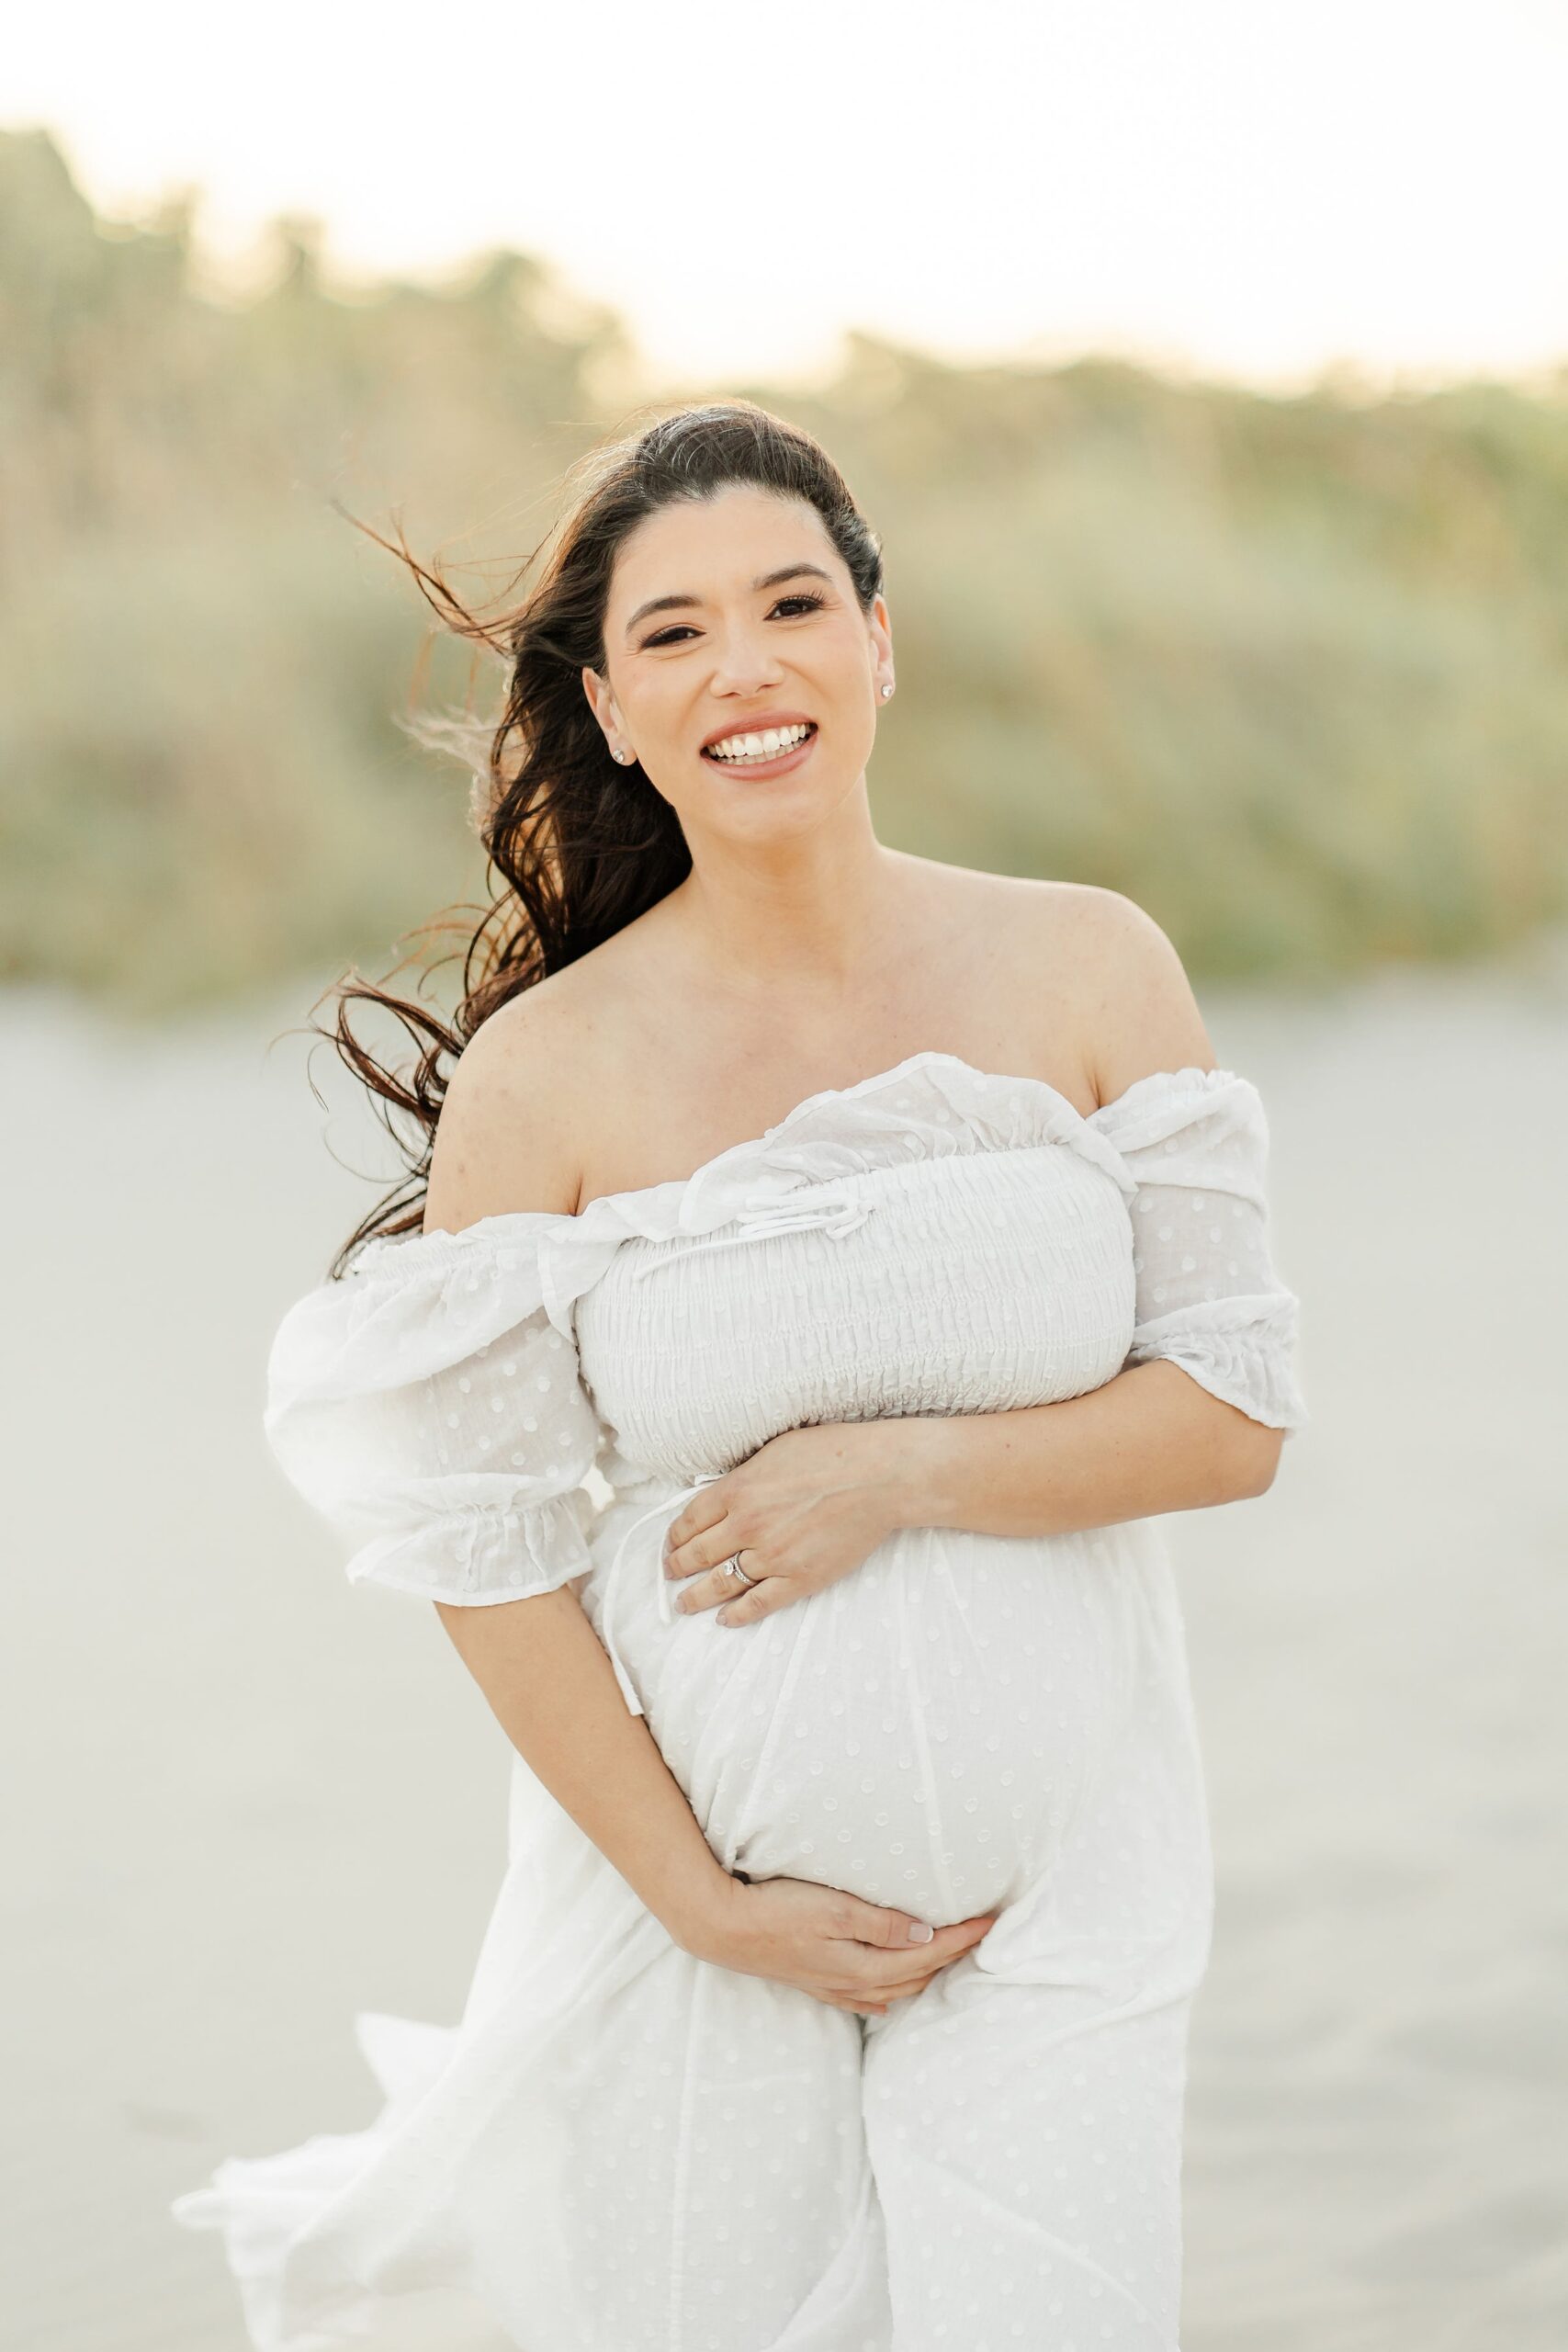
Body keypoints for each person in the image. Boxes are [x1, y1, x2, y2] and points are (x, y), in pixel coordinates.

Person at [173, 399, 1307, 2351]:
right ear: (610, 708)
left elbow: (1227, 1417)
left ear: (878, 639)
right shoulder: (548, 1075)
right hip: (688, 1933)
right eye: (675, 631)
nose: (744, 664)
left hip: (1065, 1908)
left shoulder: (1085, 965)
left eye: (791, 602)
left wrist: (891, 1468)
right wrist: (706, 1900)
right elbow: (486, 1546)